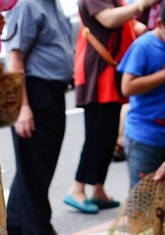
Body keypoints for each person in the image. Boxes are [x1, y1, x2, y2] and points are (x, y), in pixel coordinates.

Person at [64, 0, 157, 214]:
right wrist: (141, 5)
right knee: (97, 135)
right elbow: (109, 18)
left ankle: (98, 189)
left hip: (110, 74)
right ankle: (77, 189)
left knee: (107, 137)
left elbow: (127, 24)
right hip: (99, 76)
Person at [3, 0, 74, 235]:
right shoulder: (28, 6)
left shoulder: (52, 6)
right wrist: (22, 108)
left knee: (35, 163)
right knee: (35, 165)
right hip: (34, 92)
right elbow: (16, 58)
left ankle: (16, 226)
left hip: (52, 92)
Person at [117, 0, 165, 186]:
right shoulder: (144, 46)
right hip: (145, 136)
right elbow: (127, 87)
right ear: (159, 24)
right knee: (143, 201)